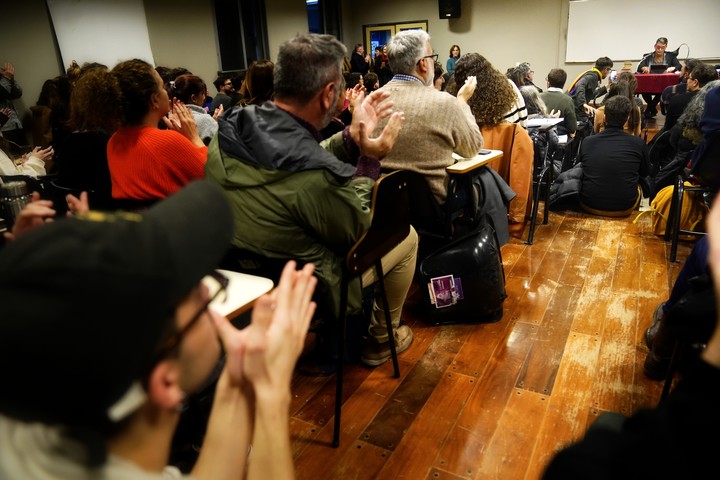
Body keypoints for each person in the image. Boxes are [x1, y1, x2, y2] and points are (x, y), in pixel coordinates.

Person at [0, 180, 318, 480]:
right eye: (196, 290)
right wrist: (272, 392)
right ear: (165, 382)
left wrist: (240, 384)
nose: (208, 292)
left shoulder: (25, 422)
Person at [205, 33, 417, 368]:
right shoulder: (313, 176)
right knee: (407, 237)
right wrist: (369, 158)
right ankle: (380, 337)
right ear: (330, 93)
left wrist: (348, 137)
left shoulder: (231, 129)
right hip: (312, 281)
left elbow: (292, 163)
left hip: (242, 268)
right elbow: (358, 228)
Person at [542, 193, 720, 479]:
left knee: (694, 270)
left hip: (593, 201)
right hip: (623, 206)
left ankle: (662, 345)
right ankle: (664, 339)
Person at [373, 30, 484, 205]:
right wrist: (462, 101)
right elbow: (472, 147)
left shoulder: (371, 101)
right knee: (486, 180)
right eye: (433, 57)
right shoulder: (445, 102)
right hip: (433, 207)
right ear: (423, 64)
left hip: (384, 207)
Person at [100, 59, 207, 200]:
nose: (167, 92)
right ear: (154, 100)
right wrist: (194, 137)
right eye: (163, 87)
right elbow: (215, 178)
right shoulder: (169, 141)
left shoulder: (113, 142)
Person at [578, 95, 649, 215]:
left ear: (604, 118)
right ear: (627, 119)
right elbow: (645, 172)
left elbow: (582, 168)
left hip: (588, 203)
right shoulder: (639, 143)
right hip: (625, 207)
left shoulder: (587, 141)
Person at [663, 62, 718, 132]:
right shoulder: (716, 100)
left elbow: (668, 128)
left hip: (681, 139)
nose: (687, 80)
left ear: (695, 82)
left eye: (689, 78)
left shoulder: (676, 100)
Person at [637, 37, 683, 119]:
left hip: (663, 83)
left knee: (663, 89)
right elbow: (640, 66)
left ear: (666, 47)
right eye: (658, 47)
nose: (660, 49)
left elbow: (679, 66)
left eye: (662, 47)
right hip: (649, 82)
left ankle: (650, 108)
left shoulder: (670, 56)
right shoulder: (647, 56)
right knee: (643, 89)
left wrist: (673, 68)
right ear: (655, 46)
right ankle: (652, 108)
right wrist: (644, 67)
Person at [171, 74, 219, 145]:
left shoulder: (171, 118)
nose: (204, 97)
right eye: (202, 93)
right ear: (194, 98)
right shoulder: (205, 120)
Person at [593, 72, 642, 137]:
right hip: (628, 145)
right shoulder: (636, 109)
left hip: (603, 144)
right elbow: (637, 133)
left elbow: (596, 131)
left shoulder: (600, 111)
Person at [566, 56, 613, 122]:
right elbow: (580, 84)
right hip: (575, 108)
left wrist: (608, 86)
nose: (608, 73)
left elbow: (591, 95)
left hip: (573, 106)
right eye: (609, 70)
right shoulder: (593, 76)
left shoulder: (592, 73)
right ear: (606, 69)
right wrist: (583, 103)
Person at [540, 68, 577, 136]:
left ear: (548, 83)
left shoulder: (538, 97)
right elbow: (572, 128)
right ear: (563, 83)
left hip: (540, 138)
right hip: (560, 137)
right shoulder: (568, 100)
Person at [0, 63, 26, 153]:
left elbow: (17, 93)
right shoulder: (4, 80)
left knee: (25, 155)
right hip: (4, 129)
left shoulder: (2, 79)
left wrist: (11, 78)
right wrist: (6, 78)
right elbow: (1, 94)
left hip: (16, 124)